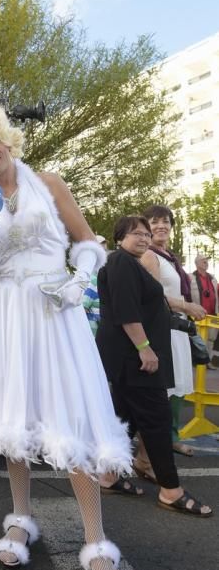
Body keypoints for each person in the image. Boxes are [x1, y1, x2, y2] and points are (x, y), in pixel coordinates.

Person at [0, 101, 134, 570]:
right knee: (15, 421)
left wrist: (78, 283)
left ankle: (97, 548)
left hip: (55, 313)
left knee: (70, 417)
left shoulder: (48, 182)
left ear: (7, 140)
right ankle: (20, 516)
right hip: (6, 316)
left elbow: (88, 241)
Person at [96, 215, 212, 518]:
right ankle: (171, 491)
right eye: (136, 234)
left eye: (147, 234)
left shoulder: (130, 264)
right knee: (157, 419)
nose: (144, 238)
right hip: (135, 358)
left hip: (131, 358)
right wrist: (145, 349)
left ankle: (108, 475)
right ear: (120, 237)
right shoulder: (121, 262)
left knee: (126, 418)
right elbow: (125, 311)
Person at [140, 205, 206, 459]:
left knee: (177, 385)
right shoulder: (150, 256)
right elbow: (154, 296)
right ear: (146, 226)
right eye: (155, 221)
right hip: (161, 329)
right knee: (162, 389)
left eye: (166, 221)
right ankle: (150, 450)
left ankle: (170, 438)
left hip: (177, 329)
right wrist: (186, 305)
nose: (161, 226)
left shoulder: (169, 257)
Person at [189, 254, 218, 369]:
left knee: (211, 338)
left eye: (207, 261)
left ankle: (207, 361)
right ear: (197, 264)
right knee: (198, 337)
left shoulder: (213, 278)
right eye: (203, 261)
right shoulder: (190, 277)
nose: (206, 263)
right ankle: (197, 361)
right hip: (197, 313)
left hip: (212, 314)